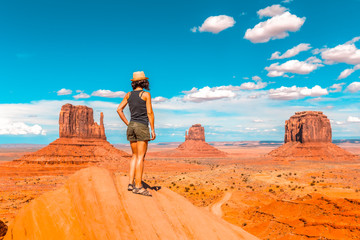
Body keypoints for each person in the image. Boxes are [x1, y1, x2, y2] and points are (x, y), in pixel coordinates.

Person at [117, 71, 156, 197]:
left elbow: (119, 109)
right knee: (140, 157)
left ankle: (130, 183)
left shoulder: (128, 95)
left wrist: (128, 123)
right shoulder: (146, 95)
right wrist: (153, 129)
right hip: (141, 126)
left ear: (133, 83)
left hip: (131, 126)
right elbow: (150, 113)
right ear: (144, 82)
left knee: (134, 155)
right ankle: (138, 186)